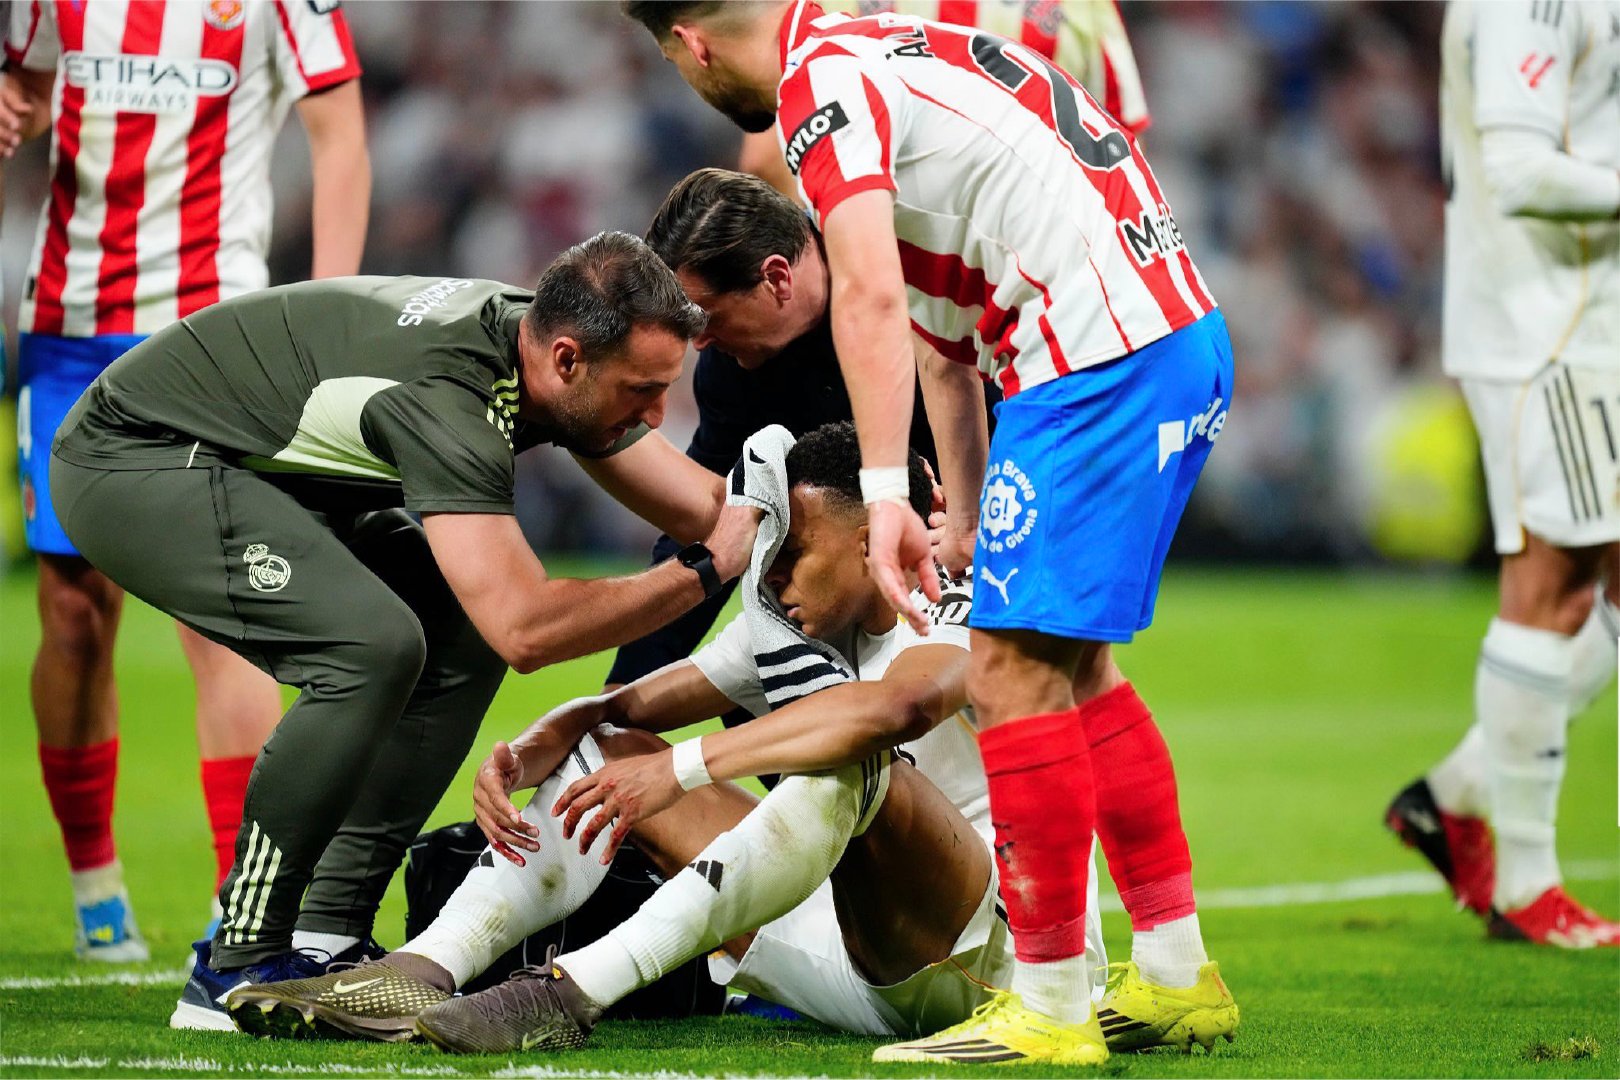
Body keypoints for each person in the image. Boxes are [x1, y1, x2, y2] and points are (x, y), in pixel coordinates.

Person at [624, 1, 1236, 1065]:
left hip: (1092, 357)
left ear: (693, 46)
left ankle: (1051, 1004)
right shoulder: (885, 51)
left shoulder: (819, 85)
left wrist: (882, 494)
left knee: (1006, 675)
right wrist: (961, 511)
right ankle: (1179, 974)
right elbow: (941, 345)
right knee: (1076, 670)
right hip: (1156, 337)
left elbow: (865, 298)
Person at [219, 422, 1124, 1056]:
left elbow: (896, 711)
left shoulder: (962, 596)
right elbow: (628, 708)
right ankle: (420, 971)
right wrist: (542, 739)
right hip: (848, 958)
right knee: (610, 757)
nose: (777, 581)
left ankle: (565, 993)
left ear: (865, 543)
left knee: (847, 759)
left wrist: (687, 768)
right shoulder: (803, 617)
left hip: (993, 962)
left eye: (793, 556)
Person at [47, 232, 761, 1027]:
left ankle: (326, 934)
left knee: (455, 629)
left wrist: (825, 512)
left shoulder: (545, 347)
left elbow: (705, 508)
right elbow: (525, 629)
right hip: (136, 456)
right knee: (368, 647)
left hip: (257, 464)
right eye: (643, 390)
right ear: (567, 360)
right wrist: (699, 575)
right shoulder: (451, 396)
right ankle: (235, 962)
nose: (657, 415)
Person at [1, 0, 370, 962]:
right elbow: (29, 92)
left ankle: (233, 902)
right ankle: (95, 888)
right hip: (68, 328)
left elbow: (339, 137)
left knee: (221, 617)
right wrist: (15, 106)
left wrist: (331, 315)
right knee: (73, 613)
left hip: (209, 332)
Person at [1385, 0, 1619, 949]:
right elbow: (1521, 172)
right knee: (1551, 587)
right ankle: (1526, 882)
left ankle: (1463, 792)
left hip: (1589, 319)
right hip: (1549, 335)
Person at [601, 166, 990, 701]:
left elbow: (1020, 409)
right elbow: (720, 524)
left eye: (706, 319)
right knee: (757, 697)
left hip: (983, 560)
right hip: (860, 594)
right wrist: (625, 689)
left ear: (777, 277)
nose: (699, 344)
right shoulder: (732, 371)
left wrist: (977, 519)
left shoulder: (909, 277)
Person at [736, 0, 1151, 199]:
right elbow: (1122, 153)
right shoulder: (1085, 6)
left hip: (895, 283)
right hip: (1042, 291)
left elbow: (766, 159)